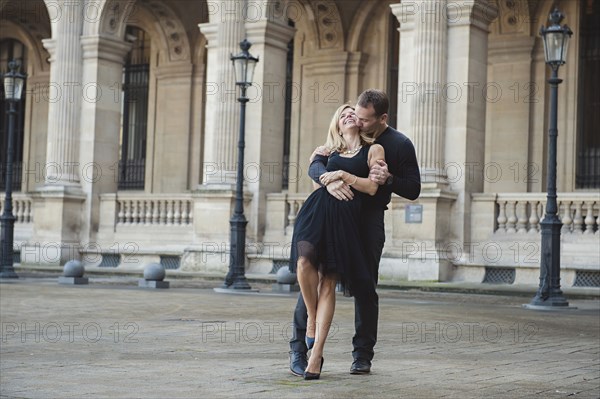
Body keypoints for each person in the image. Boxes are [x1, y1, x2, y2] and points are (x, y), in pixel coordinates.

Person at [289, 89, 421, 376]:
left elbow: (413, 188)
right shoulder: (333, 145)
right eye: (352, 115)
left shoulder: (396, 144)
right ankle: (299, 347)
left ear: (381, 118)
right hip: (331, 215)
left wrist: (388, 178)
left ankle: (362, 355)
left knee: (364, 287)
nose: (357, 121)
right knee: (311, 274)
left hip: (368, 220)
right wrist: (326, 180)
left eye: (363, 119)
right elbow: (316, 167)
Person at [288, 104, 385, 380]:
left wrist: (343, 176)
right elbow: (314, 170)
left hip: (346, 219)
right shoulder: (327, 150)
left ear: (362, 121)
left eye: (352, 112)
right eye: (342, 115)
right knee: (304, 262)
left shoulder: (373, 149)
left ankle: (316, 354)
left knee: (328, 280)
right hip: (316, 211)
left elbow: (371, 187)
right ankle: (310, 319)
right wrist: (327, 181)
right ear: (337, 126)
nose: (348, 116)